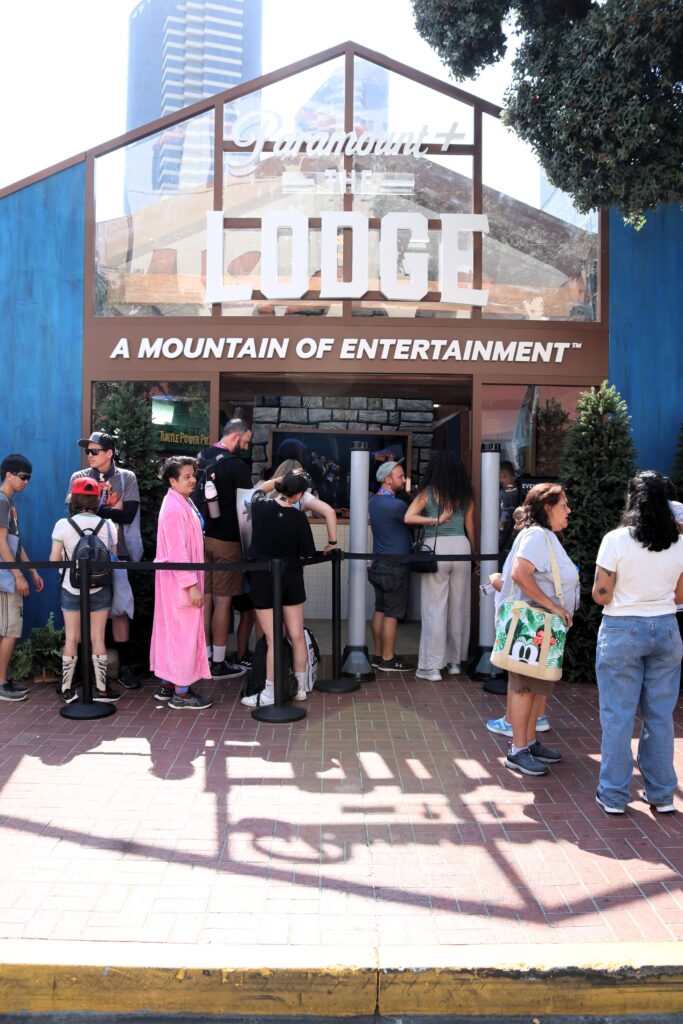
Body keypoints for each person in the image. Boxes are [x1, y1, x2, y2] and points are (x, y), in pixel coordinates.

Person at [592, 471, 683, 814]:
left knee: (618, 716)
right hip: (666, 628)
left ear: (632, 500)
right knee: (660, 716)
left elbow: (601, 595)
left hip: (621, 628)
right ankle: (661, 795)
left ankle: (614, 796)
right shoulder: (680, 542)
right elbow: (680, 595)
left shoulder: (616, 540)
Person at [494, 483, 578, 776]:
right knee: (525, 687)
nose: (568, 511)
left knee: (534, 686)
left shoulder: (543, 536)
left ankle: (527, 743)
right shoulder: (538, 536)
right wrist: (554, 607)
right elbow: (519, 573)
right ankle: (517, 750)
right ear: (547, 508)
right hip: (534, 621)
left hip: (540, 624)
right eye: (563, 505)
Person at [69, 431, 143, 690]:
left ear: (109, 453)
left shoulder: (126, 477)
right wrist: (113, 510)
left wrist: (95, 509)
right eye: (87, 451)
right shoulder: (78, 478)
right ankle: (83, 671)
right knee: (86, 611)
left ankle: (123, 669)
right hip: (86, 556)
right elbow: (73, 513)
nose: (89, 455)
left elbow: (129, 514)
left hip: (117, 554)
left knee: (121, 610)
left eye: (95, 451)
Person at [241, 470, 317, 707]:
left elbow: (257, 491)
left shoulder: (260, 508)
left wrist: (278, 480)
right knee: (296, 636)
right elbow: (308, 553)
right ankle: (301, 688)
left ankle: (269, 693)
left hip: (263, 579)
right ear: (300, 495)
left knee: (274, 639)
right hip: (291, 578)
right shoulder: (299, 519)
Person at [405, 452, 476, 681]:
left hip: (438, 549)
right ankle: (455, 662)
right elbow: (470, 528)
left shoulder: (428, 493)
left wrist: (433, 520)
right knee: (459, 607)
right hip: (462, 548)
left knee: (435, 608)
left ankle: (432, 667)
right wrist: (474, 555)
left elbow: (409, 517)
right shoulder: (466, 495)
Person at [150, 457, 212, 711]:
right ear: (172, 480)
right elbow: (178, 552)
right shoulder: (176, 508)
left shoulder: (179, 502)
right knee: (183, 634)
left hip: (174, 581)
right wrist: (192, 586)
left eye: (193, 475)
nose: (193, 480)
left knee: (172, 632)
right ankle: (181, 693)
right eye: (186, 476)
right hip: (180, 582)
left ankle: (168, 684)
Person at [50, 477, 119, 703]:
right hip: (100, 587)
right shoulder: (108, 525)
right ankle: (101, 689)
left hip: (72, 588)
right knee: (98, 637)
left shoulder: (63, 525)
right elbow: (113, 558)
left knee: (72, 638)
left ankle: (67, 689)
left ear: (74, 498)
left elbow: (54, 560)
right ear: (98, 499)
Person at [486, 505, 551, 737]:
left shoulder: (532, 540)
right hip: (546, 617)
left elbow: (521, 583)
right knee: (539, 673)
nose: (515, 526)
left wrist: (496, 583)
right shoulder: (550, 540)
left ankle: (513, 725)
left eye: (519, 521)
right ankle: (538, 718)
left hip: (527, 617)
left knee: (520, 677)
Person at [196, 418, 252, 680]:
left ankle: (204, 657)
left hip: (201, 538)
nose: (246, 445)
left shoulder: (201, 457)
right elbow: (246, 508)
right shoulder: (237, 466)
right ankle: (218, 663)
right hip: (228, 541)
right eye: (246, 441)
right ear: (236, 436)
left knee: (205, 600)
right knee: (222, 602)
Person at [0, 454, 44, 701]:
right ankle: (1, 684)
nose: (26, 481)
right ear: (9, 474)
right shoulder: (2, 502)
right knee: (10, 630)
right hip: (5, 578)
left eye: (28, 477)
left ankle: (3, 680)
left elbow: (15, 543)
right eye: (23, 476)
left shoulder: (8, 503)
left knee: (7, 628)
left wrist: (33, 570)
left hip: (8, 576)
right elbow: (1, 543)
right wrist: (18, 575)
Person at [367, 459, 411, 672]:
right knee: (392, 613)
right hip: (395, 567)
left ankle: (377, 654)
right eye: (400, 476)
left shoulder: (374, 502)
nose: (404, 479)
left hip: (379, 564)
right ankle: (388, 658)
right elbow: (415, 517)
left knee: (380, 609)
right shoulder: (397, 505)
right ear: (387, 479)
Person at [255, 458, 339, 555]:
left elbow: (259, 490)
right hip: (292, 555)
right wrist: (332, 543)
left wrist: (283, 478)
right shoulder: (302, 496)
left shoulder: (264, 494)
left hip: (264, 553)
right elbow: (330, 512)